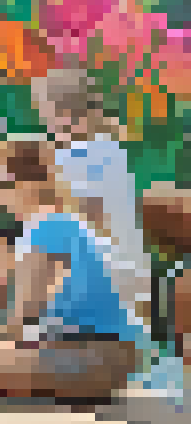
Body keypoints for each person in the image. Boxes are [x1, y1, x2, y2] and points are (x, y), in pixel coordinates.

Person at [0, 137, 150, 400]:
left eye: (1, 184)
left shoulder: (46, 228)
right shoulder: (52, 226)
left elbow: (21, 319)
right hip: (106, 354)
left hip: (98, 356)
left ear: (29, 185)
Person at [31, 68, 155, 331]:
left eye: (48, 120)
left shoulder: (76, 158)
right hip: (133, 282)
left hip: (104, 286)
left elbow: (84, 218)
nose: (50, 130)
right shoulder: (110, 149)